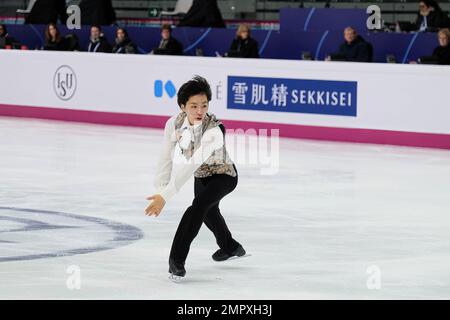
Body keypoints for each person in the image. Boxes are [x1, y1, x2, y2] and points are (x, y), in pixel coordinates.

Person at [145, 76, 245, 281]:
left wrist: (166, 197)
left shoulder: (214, 131)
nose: (200, 111)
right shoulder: (173, 124)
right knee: (210, 213)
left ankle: (176, 261)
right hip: (202, 176)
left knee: (198, 208)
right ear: (182, 106)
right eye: (193, 106)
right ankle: (231, 248)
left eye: (204, 105)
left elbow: (191, 165)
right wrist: (161, 189)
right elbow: (166, 156)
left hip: (224, 175)